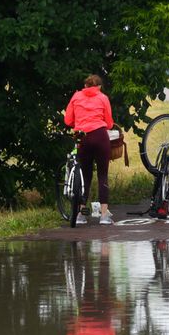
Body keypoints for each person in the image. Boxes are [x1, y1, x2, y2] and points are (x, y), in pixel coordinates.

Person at [63, 74, 116, 225]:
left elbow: (67, 120)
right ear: (98, 87)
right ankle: (104, 216)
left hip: (82, 138)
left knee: (85, 176)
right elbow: (110, 124)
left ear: (85, 86)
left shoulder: (76, 96)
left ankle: (80, 214)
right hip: (100, 136)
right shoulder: (103, 97)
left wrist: (78, 122)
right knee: (102, 175)